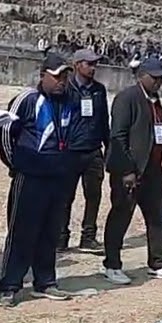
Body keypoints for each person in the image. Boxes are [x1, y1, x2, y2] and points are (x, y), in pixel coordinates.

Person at [0, 54, 81, 305]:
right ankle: (9, 285)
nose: (61, 81)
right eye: (56, 76)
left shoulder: (70, 100)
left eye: (65, 76)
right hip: (30, 176)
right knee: (22, 231)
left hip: (58, 178)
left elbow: (73, 135)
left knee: (49, 233)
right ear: (43, 75)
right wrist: (17, 165)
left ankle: (45, 282)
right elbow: (5, 134)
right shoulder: (27, 100)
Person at [103, 57, 162, 284]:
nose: (158, 82)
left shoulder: (155, 101)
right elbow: (117, 137)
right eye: (154, 78)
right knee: (121, 216)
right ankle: (112, 264)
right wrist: (127, 170)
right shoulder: (127, 99)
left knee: (158, 216)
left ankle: (158, 263)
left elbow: (150, 131)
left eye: (161, 78)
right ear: (141, 76)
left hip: (153, 170)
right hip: (130, 171)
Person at [57, 48, 111, 255]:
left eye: (95, 64)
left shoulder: (99, 90)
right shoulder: (66, 88)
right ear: (77, 64)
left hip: (93, 151)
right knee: (64, 196)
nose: (93, 68)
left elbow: (104, 121)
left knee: (94, 196)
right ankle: (60, 237)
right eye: (89, 64)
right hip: (70, 152)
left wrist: (108, 149)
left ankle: (88, 237)